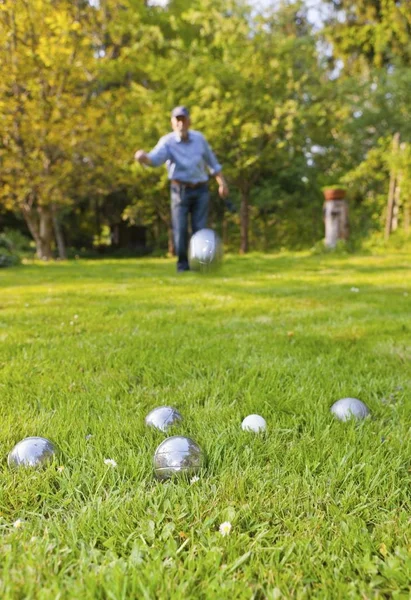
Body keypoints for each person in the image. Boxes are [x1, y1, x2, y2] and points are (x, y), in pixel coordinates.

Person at [134, 106, 229, 272]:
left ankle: (200, 265)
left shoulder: (200, 139)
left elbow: (212, 163)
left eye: (183, 119)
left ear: (189, 121)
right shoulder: (167, 142)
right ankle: (183, 265)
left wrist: (222, 183)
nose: (180, 123)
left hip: (201, 189)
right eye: (177, 120)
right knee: (181, 229)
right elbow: (155, 159)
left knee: (200, 229)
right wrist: (144, 158)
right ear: (172, 123)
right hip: (179, 191)